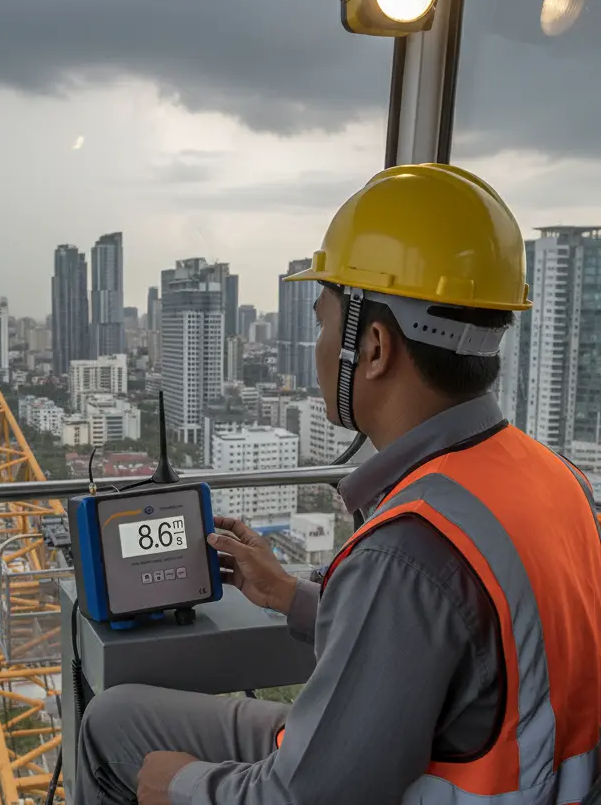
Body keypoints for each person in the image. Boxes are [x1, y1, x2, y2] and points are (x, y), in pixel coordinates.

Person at [74, 163, 601, 805]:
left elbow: (305, 798)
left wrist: (175, 786)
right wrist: (288, 594)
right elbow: (442, 650)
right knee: (116, 718)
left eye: (324, 323)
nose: (320, 344)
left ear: (373, 348)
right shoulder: (554, 479)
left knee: (131, 754)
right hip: (494, 769)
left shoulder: (409, 548)